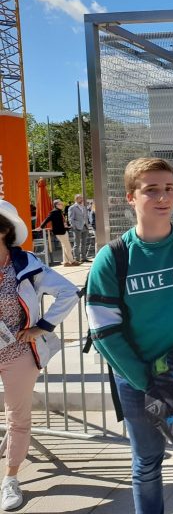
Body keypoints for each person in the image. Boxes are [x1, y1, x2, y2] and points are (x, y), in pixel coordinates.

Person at [86, 157, 173, 514]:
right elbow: (105, 331)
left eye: (168, 189)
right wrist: (148, 379)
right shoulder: (112, 258)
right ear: (131, 197)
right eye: (151, 190)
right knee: (147, 463)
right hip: (139, 381)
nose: (163, 197)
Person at [0, 200, 79, 511]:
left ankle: (10, 479)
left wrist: (42, 327)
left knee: (18, 417)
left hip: (18, 352)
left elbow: (68, 292)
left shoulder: (26, 265)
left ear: (4, 230)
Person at [37, 199, 78, 266]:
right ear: (56, 205)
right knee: (68, 247)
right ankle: (72, 261)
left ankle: (66, 262)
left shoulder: (59, 211)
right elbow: (47, 220)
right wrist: (41, 227)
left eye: (62, 204)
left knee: (65, 246)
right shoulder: (54, 212)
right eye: (60, 204)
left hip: (63, 230)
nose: (62, 205)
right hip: (60, 232)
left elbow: (62, 221)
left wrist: (66, 225)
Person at [67, 193, 90, 263]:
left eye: (82, 198)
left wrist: (87, 224)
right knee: (77, 243)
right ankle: (77, 259)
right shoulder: (72, 207)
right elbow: (70, 219)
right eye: (80, 198)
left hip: (85, 227)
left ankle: (84, 258)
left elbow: (85, 217)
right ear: (76, 199)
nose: (82, 199)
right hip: (77, 227)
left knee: (84, 243)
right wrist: (74, 226)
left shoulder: (83, 207)